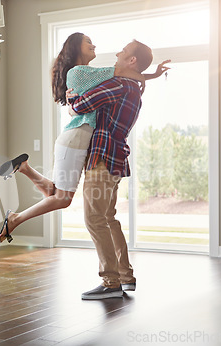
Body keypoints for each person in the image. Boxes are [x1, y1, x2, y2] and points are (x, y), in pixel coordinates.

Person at [0, 33, 169, 243]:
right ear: (76, 48)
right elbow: (124, 73)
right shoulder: (80, 72)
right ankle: (15, 218)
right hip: (77, 138)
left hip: (76, 138)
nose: (93, 44)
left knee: (57, 193)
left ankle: (24, 168)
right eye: (88, 42)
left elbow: (126, 75)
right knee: (62, 199)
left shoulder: (92, 74)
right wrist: (151, 76)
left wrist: (149, 75)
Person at [66, 39, 155, 300]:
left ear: (132, 61)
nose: (117, 53)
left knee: (94, 219)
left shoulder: (117, 84)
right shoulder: (134, 88)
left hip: (102, 160)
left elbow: (81, 106)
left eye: (123, 51)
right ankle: (125, 277)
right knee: (109, 218)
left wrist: (73, 100)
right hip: (116, 160)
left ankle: (110, 282)